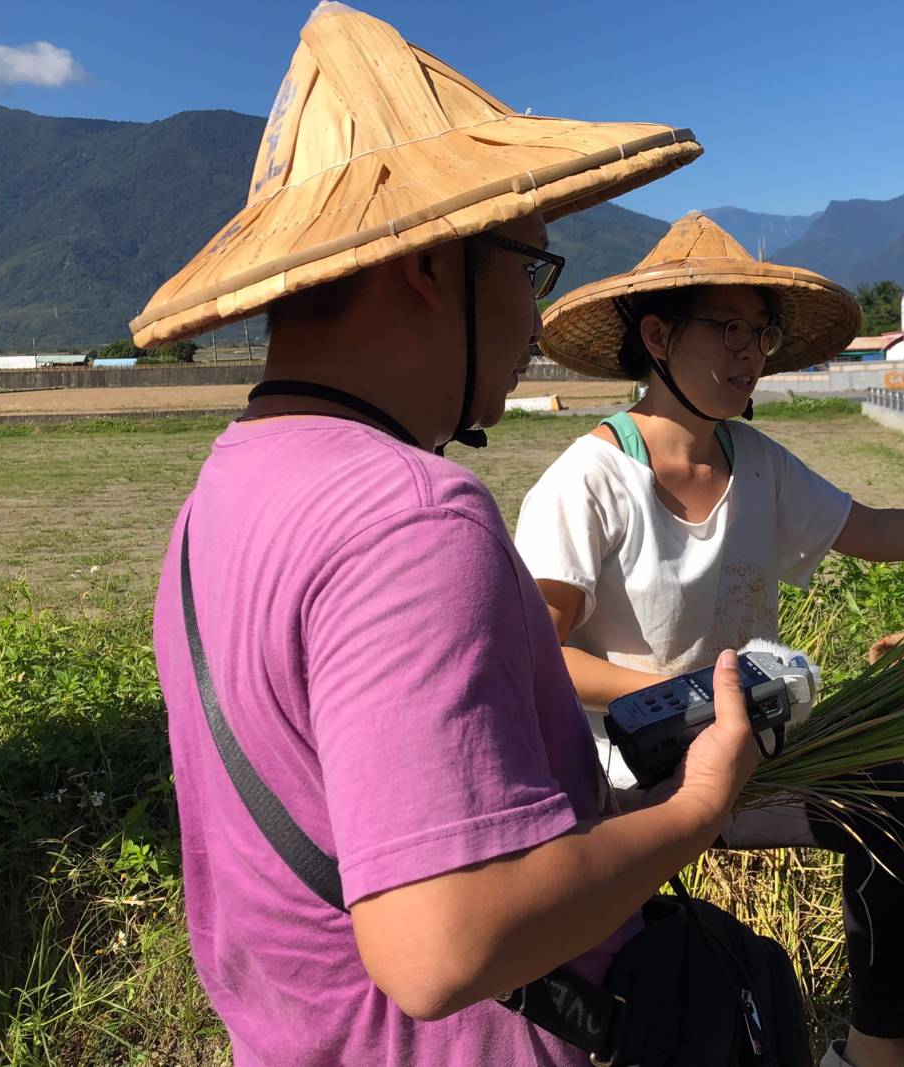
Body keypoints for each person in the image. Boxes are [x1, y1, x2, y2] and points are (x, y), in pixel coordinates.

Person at [139, 7, 749, 1065]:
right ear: (427, 265)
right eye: (526, 272)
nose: (533, 324)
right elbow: (442, 945)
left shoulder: (220, 496)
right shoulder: (410, 516)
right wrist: (699, 803)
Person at [516, 212, 904, 1067]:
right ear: (659, 335)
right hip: (631, 769)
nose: (751, 352)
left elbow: (872, 526)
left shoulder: (756, 460)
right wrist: (665, 694)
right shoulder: (589, 482)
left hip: (753, 746)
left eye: (762, 331)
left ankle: (874, 1051)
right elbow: (538, 656)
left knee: (888, 801)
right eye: (729, 329)